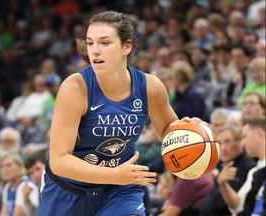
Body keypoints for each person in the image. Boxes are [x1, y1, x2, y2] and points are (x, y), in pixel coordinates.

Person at [38, 10, 203, 216]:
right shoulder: (75, 88)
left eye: (104, 43)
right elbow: (59, 160)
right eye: (90, 43)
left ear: (127, 46)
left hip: (120, 190)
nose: (95, 51)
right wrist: (112, 174)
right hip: (68, 191)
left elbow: (168, 131)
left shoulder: (150, 86)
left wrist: (188, 132)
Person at [200, 125, 256, 216]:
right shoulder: (222, 165)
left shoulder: (248, 168)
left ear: (239, 142)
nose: (223, 149)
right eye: (220, 143)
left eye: (227, 142)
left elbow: (221, 205)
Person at [218, 117, 266, 215]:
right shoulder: (255, 172)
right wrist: (223, 184)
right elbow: (239, 206)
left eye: (244, 136)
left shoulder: (249, 167)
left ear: (259, 133)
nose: (242, 144)